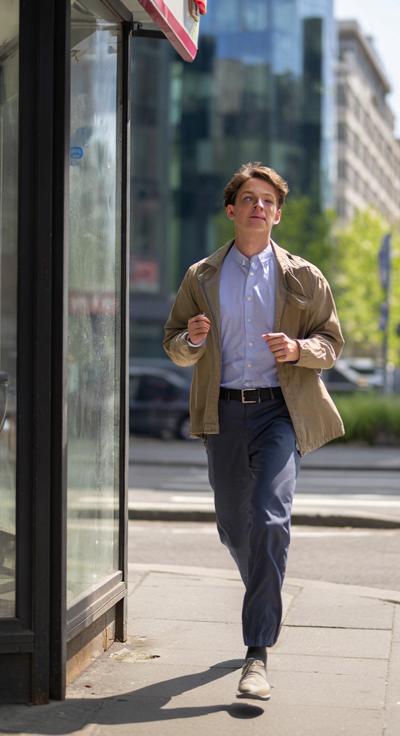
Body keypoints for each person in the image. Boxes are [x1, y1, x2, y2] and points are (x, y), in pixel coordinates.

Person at [163, 162, 344, 700]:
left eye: (268, 200)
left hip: (280, 413)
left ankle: (257, 652)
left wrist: (299, 349)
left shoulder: (303, 278)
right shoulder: (201, 277)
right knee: (231, 527)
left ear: (278, 214)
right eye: (249, 198)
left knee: (270, 518)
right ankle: (262, 591)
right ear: (232, 209)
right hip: (223, 414)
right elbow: (174, 344)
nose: (258, 207)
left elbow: (332, 344)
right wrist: (192, 340)